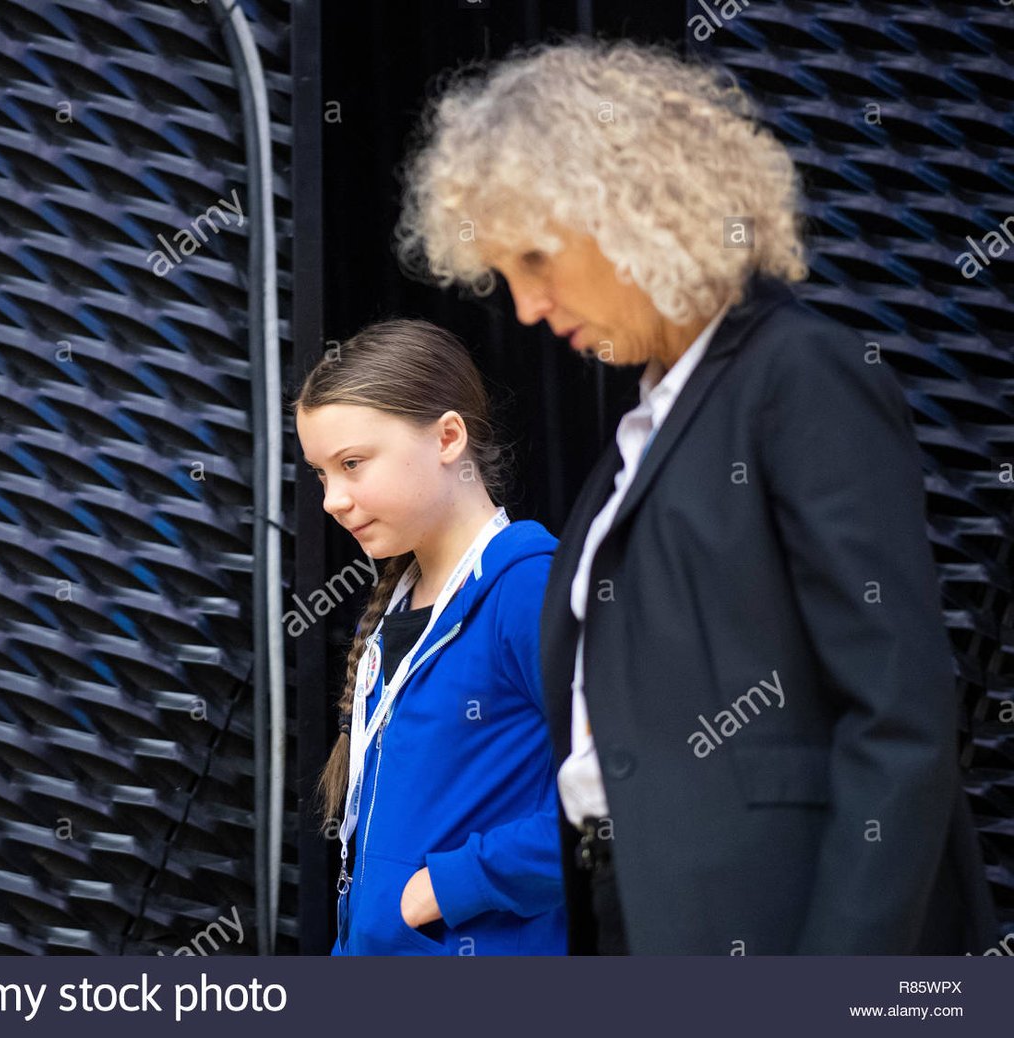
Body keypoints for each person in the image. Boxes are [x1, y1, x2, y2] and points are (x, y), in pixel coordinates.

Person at [394, 38, 998, 955]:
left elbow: (899, 715)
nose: (523, 306)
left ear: (630, 209)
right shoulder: (645, 429)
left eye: (535, 258)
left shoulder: (800, 376)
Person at [295, 318, 567, 955]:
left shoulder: (528, 587)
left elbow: (626, 797)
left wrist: (453, 885)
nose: (333, 499)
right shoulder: (398, 602)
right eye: (321, 474)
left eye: (353, 463)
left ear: (448, 438)